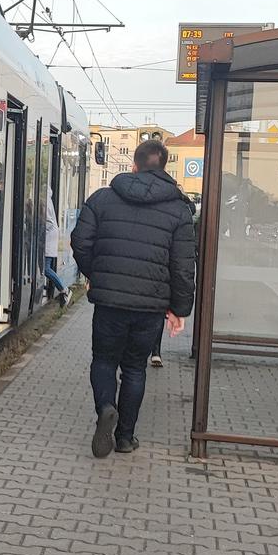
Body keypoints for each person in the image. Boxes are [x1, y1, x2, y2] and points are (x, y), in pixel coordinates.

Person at [70, 139, 196, 457]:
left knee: (103, 361)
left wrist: (97, 275)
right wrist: (179, 309)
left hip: (109, 303)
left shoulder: (102, 198)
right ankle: (125, 437)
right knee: (135, 369)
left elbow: (80, 242)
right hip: (150, 307)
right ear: (164, 167)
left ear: (134, 166)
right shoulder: (179, 209)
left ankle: (105, 408)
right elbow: (183, 264)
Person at [44, 188, 73, 307]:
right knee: (45, 267)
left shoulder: (45, 203)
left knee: (46, 268)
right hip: (49, 236)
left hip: (49, 237)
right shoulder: (48, 202)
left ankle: (63, 289)